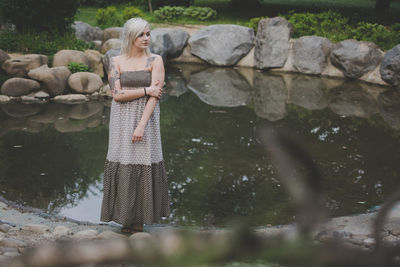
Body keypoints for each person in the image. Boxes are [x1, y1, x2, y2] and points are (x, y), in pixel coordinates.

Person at [100, 17, 170, 234]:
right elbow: (117, 95)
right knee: (123, 162)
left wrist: (140, 126)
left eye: (148, 34)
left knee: (143, 164)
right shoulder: (116, 61)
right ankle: (124, 219)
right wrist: (146, 90)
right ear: (130, 37)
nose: (146, 38)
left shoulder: (155, 60)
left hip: (145, 121)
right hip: (121, 121)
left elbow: (155, 98)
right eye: (141, 34)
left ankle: (139, 222)